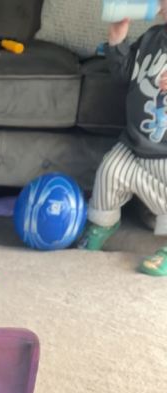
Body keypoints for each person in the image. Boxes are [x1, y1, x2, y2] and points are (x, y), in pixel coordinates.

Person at [79, 2, 167, 275]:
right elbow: (124, 74)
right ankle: (102, 225)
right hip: (134, 140)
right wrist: (117, 39)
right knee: (110, 170)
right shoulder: (153, 37)